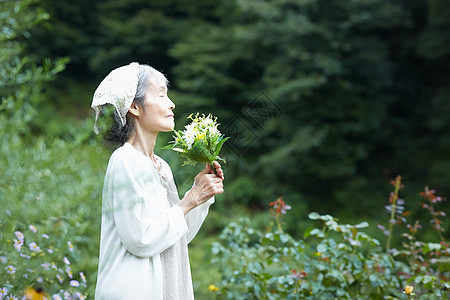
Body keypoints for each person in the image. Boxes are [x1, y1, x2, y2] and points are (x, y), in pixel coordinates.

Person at [91, 62, 224, 299]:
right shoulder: (124, 160)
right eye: (161, 95)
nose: (171, 103)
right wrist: (189, 200)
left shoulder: (161, 166)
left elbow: (176, 237)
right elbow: (141, 240)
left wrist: (200, 196)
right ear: (134, 106)